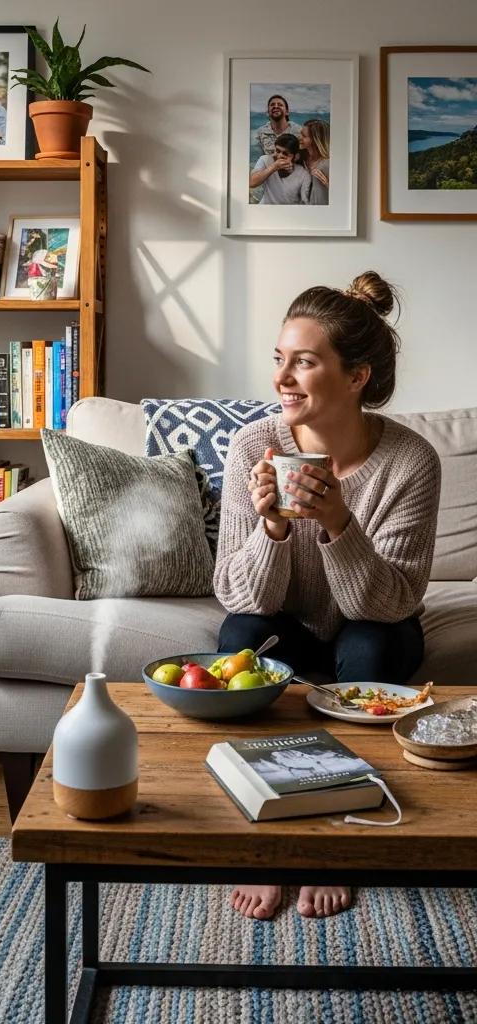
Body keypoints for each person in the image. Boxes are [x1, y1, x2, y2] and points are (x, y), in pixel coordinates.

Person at [215, 272, 440, 922]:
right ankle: (269, 835)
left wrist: (340, 524)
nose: (282, 377)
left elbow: (390, 601)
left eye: (304, 362)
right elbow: (237, 593)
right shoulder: (253, 446)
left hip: (376, 624)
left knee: (367, 645)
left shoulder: (409, 461)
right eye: (279, 359)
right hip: (286, 620)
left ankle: (340, 831)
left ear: (356, 377)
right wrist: (274, 529)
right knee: (238, 641)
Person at [250, 133, 311, 205]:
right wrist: (274, 167)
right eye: (278, 151)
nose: (279, 156)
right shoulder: (265, 159)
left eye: (285, 154)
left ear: (296, 156)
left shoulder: (303, 174)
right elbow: (252, 183)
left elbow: (305, 201)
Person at [256, 94, 303, 158]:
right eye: (272, 104)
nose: (276, 106)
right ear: (267, 112)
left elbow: (302, 156)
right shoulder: (261, 132)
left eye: (280, 105)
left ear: (287, 112)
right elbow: (260, 159)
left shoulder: (298, 131)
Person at [300, 119, 331, 206]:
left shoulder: (327, 164)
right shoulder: (301, 158)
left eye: (304, 136)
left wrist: (327, 184)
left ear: (315, 139)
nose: (299, 137)